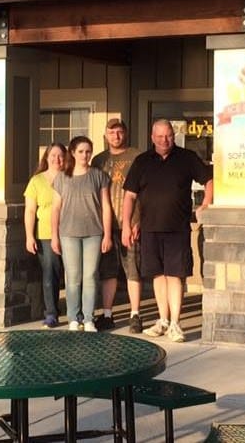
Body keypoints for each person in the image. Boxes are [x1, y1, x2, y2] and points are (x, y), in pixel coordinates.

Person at [122, 119, 212, 342]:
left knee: (176, 275)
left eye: (169, 135)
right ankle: (162, 320)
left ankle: (175, 324)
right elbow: (130, 196)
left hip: (177, 229)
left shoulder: (186, 157)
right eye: (160, 136)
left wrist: (206, 203)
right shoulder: (142, 162)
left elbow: (209, 180)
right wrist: (126, 224)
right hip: (149, 229)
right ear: (152, 137)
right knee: (158, 275)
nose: (165, 140)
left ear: (174, 135)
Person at [52, 135, 113, 332]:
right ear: (72, 152)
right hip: (68, 233)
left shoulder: (98, 175)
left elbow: (106, 206)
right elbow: (56, 208)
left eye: (88, 151)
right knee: (73, 276)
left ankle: (88, 318)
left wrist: (108, 235)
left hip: (94, 232)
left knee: (90, 276)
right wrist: (54, 235)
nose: (85, 155)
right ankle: (73, 317)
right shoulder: (62, 177)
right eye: (80, 151)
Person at [91, 118, 143, 333]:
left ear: (125, 133)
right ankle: (108, 314)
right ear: (105, 135)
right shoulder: (98, 160)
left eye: (120, 132)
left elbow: (144, 191)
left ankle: (135, 314)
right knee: (107, 272)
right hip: (104, 226)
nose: (116, 136)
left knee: (133, 269)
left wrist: (138, 220)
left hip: (129, 224)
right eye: (112, 133)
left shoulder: (137, 157)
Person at [23, 143, 66, 329]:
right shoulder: (37, 181)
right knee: (50, 274)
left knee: (73, 275)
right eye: (53, 155)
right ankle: (51, 314)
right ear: (46, 157)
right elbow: (30, 211)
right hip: (46, 234)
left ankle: (76, 313)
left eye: (60, 155)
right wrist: (29, 236)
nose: (57, 159)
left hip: (71, 232)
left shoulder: (70, 177)